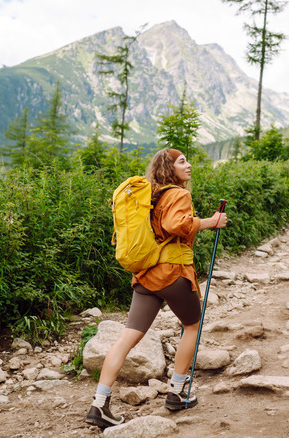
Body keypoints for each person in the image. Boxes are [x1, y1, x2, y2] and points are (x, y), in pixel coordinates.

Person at [86, 148, 228, 429]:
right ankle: (176, 392)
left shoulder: (149, 196)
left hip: (146, 275)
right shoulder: (178, 193)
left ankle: (99, 405)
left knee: (127, 338)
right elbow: (174, 224)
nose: (188, 165)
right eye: (182, 161)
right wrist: (211, 222)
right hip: (173, 273)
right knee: (192, 326)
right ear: (169, 167)